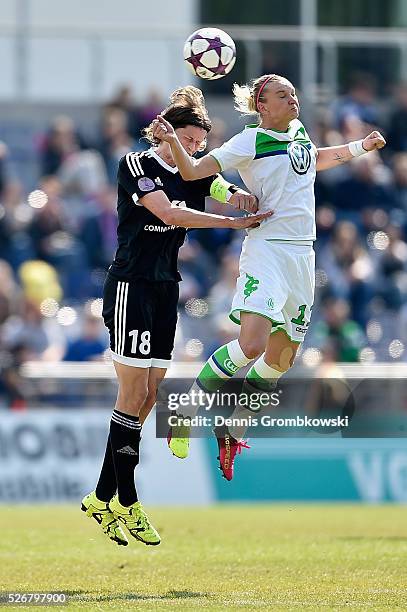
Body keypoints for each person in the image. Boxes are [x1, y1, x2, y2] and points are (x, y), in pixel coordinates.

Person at [153, 73, 386, 480]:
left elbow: (313, 159)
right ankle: (184, 411)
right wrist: (173, 141)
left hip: (303, 256)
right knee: (251, 344)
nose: (293, 98)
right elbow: (192, 173)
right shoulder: (249, 140)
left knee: (280, 358)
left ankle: (232, 426)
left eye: (294, 92)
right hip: (267, 249)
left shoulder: (297, 131)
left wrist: (359, 147)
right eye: (283, 94)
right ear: (262, 105)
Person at [81, 86, 271, 547]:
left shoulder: (194, 171)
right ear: (165, 133)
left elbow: (221, 187)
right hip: (131, 284)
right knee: (131, 394)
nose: (195, 150)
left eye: (200, 145)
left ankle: (101, 496)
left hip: (167, 287)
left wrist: (243, 199)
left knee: (149, 395)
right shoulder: (135, 164)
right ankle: (126, 500)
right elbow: (168, 213)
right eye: (188, 141)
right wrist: (230, 223)